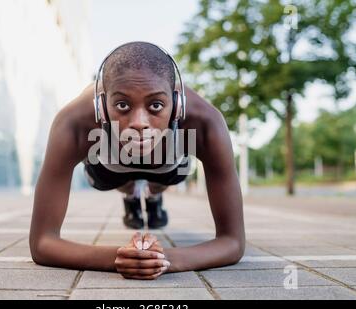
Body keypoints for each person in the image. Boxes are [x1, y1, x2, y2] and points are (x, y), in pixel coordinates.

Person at [30, 42, 245, 280]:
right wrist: (119, 257)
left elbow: (233, 241)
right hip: (109, 168)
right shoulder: (74, 122)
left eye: (155, 105)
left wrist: (161, 259)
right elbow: (42, 243)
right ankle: (131, 193)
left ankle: (152, 194)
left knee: (168, 168)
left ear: (177, 105)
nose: (139, 122)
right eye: (122, 105)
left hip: (167, 167)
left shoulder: (206, 122)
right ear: (101, 106)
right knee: (121, 177)